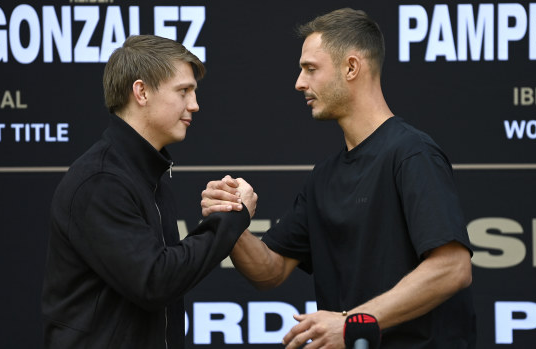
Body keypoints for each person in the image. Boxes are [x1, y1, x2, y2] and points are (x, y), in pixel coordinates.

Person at [201, 8, 476, 349]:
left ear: (350, 67)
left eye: (311, 69)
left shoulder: (411, 153)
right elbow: (269, 270)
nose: (299, 83)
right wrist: (232, 219)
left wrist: (352, 324)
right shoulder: (323, 178)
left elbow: (452, 267)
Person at [41, 35, 257, 349]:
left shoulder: (146, 175)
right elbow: (155, 281)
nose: (194, 105)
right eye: (184, 91)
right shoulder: (100, 181)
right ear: (141, 92)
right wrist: (232, 220)